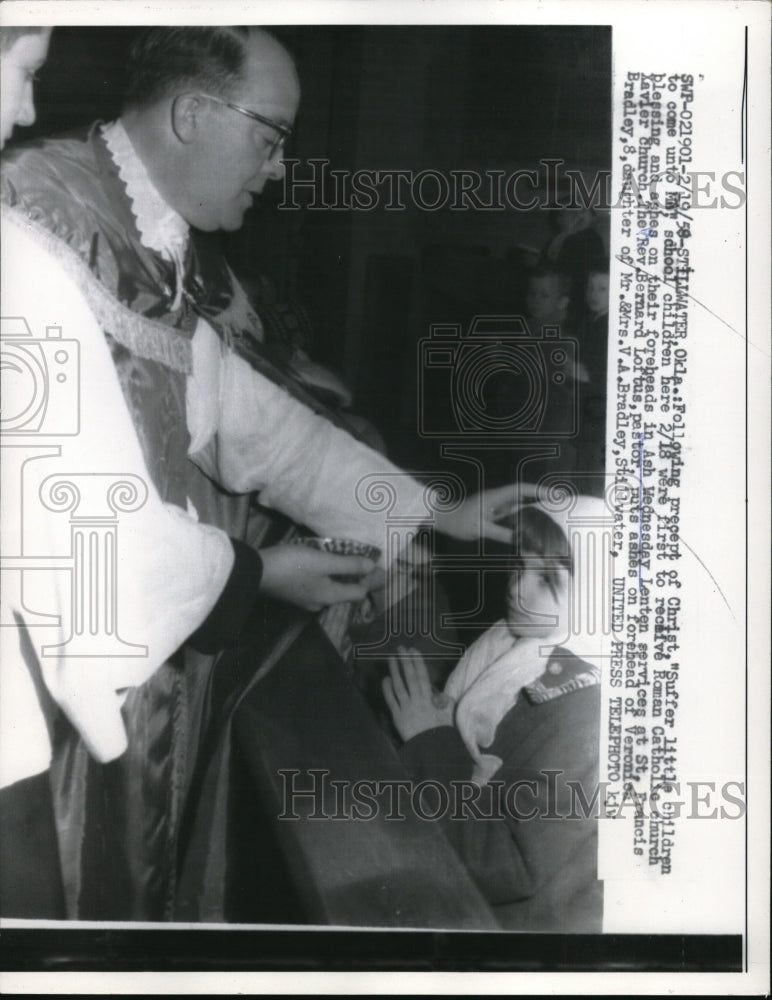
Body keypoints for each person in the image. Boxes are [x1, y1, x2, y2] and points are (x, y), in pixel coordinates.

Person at [0, 26, 516, 920]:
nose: (278, 169)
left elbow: (255, 427)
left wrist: (438, 514)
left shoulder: (143, 236)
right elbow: (75, 528)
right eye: (270, 137)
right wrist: (262, 573)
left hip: (133, 663)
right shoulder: (40, 222)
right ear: (194, 114)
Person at [383, 495, 609, 932]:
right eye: (520, 566)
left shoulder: (583, 710)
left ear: (597, 597)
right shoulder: (516, 639)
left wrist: (430, 742)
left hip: (517, 929)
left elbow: (508, 863)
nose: (517, 586)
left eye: (547, 579)